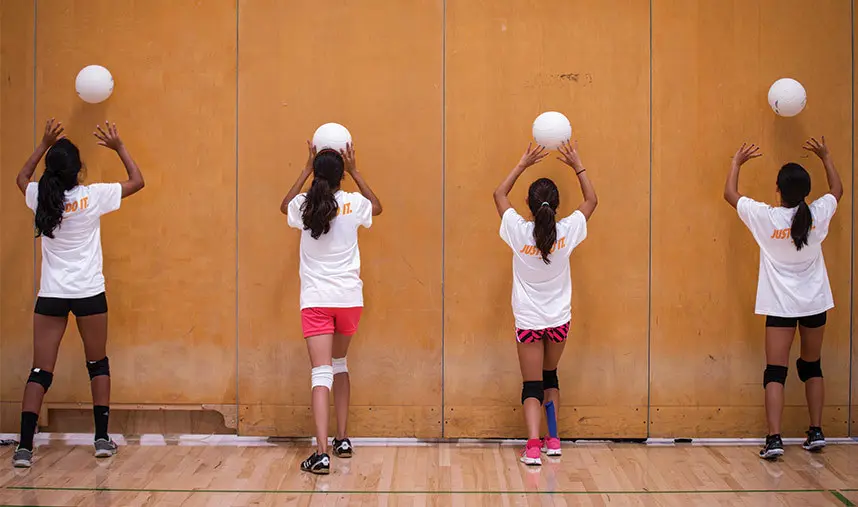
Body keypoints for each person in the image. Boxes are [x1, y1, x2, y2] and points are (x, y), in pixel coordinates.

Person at [12, 119, 145, 468]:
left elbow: (21, 179)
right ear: (78, 171)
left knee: (40, 371)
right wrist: (118, 147)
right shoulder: (91, 196)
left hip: (52, 295)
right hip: (88, 293)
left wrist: (42, 143)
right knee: (96, 363)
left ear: (51, 169)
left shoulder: (40, 196)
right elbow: (137, 181)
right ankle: (101, 440)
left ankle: (24, 447)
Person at [724, 137, 843, 460]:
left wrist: (736, 162)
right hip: (815, 304)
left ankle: (774, 438)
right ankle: (816, 431)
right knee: (812, 366)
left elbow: (730, 195)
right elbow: (836, 191)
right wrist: (826, 156)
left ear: (778, 189)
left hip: (780, 307)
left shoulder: (768, 218)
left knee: (775, 372)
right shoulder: (817, 214)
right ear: (806, 191)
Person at [493, 140, 597, 466]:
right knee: (551, 377)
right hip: (559, 321)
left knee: (532, 385)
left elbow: (498, 195)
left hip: (528, 321)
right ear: (557, 205)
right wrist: (578, 164)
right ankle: (554, 441)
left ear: (528, 203)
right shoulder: (567, 231)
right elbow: (592, 200)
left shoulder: (518, 231)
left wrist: (522, 163)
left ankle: (533, 446)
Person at [280, 141, 382, 475]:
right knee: (339, 364)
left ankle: (321, 453)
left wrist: (306, 166)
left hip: (317, 301)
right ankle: (342, 439)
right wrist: (356, 170)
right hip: (349, 300)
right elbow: (377, 206)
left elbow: (284, 206)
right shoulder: (353, 203)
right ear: (342, 175)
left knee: (320, 373)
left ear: (316, 173)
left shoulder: (304, 205)